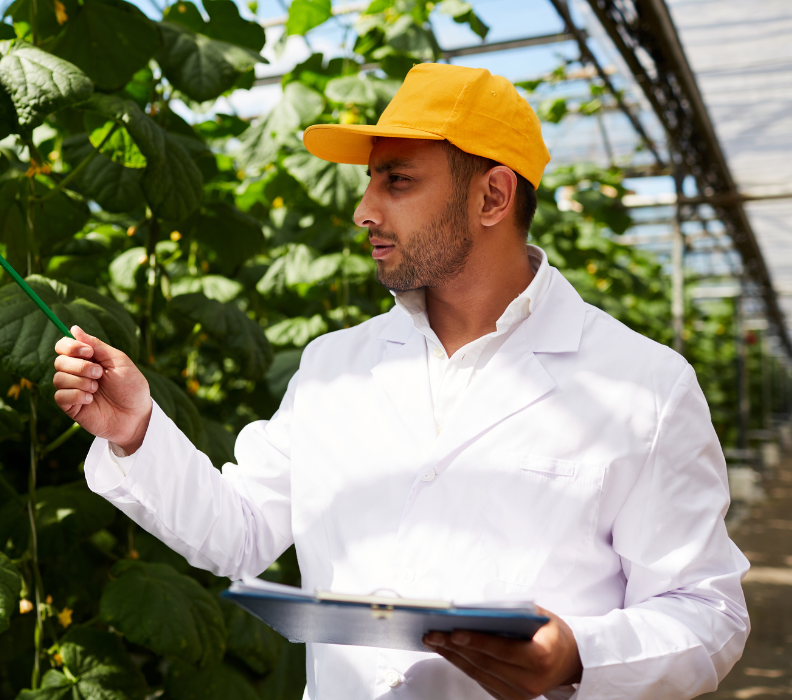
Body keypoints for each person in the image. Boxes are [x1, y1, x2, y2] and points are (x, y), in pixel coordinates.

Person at [52, 64, 749, 700]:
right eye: (369, 181)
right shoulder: (333, 367)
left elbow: (707, 612)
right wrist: (136, 431)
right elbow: (239, 534)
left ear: (493, 196)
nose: (364, 210)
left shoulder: (644, 386)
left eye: (397, 180)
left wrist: (579, 654)